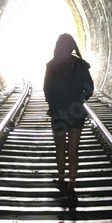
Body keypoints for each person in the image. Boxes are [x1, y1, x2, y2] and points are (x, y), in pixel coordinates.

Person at [43, 33, 94, 206]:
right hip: (76, 113)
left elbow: (47, 89)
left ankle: (61, 179)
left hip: (58, 113)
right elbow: (89, 88)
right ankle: (71, 184)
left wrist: (54, 104)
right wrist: (79, 101)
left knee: (59, 148)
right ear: (72, 47)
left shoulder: (51, 65)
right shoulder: (81, 65)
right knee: (73, 149)